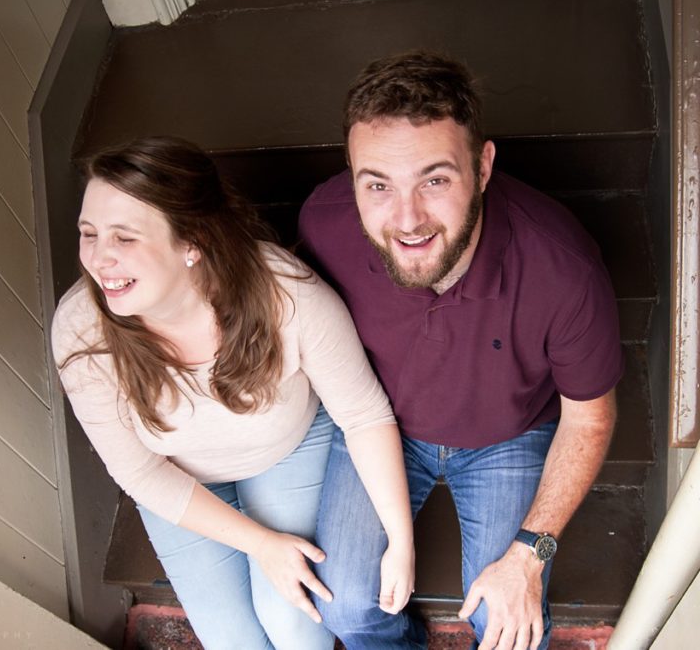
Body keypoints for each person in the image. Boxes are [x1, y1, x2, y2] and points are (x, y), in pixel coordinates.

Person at [299, 52, 622, 650]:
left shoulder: (564, 266)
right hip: (380, 423)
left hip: (510, 435)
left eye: (436, 179)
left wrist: (531, 553)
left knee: (509, 629)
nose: (406, 219)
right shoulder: (324, 224)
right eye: (377, 184)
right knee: (345, 610)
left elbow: (590, 417)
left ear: (483, 164)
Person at [52, 136, 415, 648]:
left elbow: (363, 414)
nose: (100, 259)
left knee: (294, 624)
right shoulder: (81, 329)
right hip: (175, 479)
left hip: (284, 452)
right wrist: (261, 544)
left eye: (125, 237)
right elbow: (138, 471)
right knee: (233, 643)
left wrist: (400, 539)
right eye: (88, 234)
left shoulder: (286, 291)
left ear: (192, 241)